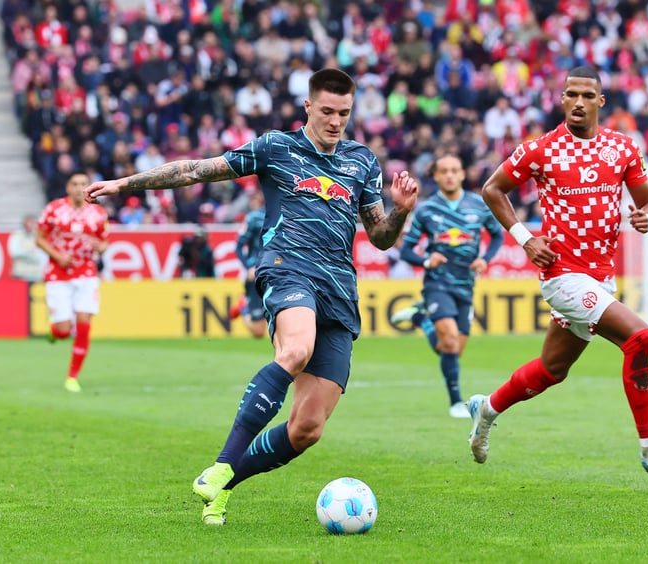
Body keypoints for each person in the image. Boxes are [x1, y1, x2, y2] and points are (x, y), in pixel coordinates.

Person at [84, 68, 419, 525]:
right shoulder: (276, 148)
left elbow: (380, 238)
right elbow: (196, 171)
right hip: (289, 268)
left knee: (307, 429)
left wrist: (399, 211)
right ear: (308, 106)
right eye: (326, 111)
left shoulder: (363, 161)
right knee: (296, 349)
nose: (335, 121)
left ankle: (223, 485)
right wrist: (124, 184)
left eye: (343, 113)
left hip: (340, 288)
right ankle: (224, 461)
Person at [469, 66, 648, 482]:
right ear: (561, 100)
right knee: (640, 337)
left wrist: (646, 217)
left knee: (552, 369)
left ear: (600, 101)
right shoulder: (540, 149)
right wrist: (524, 238)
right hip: (561, 275)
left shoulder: (623, 148)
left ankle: (486, 409)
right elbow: (491, 188)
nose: (577, 102)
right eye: (570, 94)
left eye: (587, 96)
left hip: (600, 278)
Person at [389, 155, 503, 418]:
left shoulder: (479, 206)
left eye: (454, 170)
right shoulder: (427, 210)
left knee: (450, 349)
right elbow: (406, 250)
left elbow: (497, 235)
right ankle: (455, 403)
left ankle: (420, 317)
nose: (450, 175)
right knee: (450, 342)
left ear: (463, 174)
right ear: (436, 176)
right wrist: (427, 260)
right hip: (437, 284)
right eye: (444, 171)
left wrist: (484, 259)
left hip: (466, 285)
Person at [35, 171, 109, 393]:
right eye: (75, 184)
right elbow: (39, 238)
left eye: (84, 184)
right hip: (59, 274)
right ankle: (54, 331)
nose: (79, 188)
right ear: (68, 187)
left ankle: (72, 376)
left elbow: (104, 242)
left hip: (86, 272)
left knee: (84, 321)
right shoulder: (53, 210)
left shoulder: (98, 213)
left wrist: (101, 248)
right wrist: (58, 256)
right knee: (64, 330)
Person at [229, 190, 267, 338]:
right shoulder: (254, 218)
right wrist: (248, 267)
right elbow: (238, 247)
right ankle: (244, 306)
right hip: (257, 272)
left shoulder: (284, 216)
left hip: (277, 271)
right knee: (258, 332)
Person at [7, 214, 48, 282]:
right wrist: (30, 252)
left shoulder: (39, 238)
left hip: (35, 277)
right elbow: (14, 253)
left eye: (32, 223)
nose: (29, 225)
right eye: (27, 223)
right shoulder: (17, 236)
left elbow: (41, 257)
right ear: (23, 224)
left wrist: (25, 253)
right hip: (19, 275)